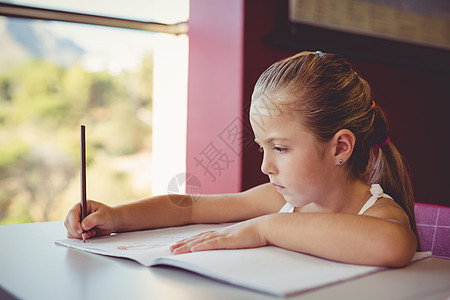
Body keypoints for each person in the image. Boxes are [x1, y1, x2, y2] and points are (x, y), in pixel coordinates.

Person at [65, 51, 418, 267]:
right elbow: (189, 207)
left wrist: (267, 228)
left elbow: (393, 244)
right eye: (262, 147)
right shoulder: (281, 200)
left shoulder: (378, 213)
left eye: (280, 148)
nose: (265, 166)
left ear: (340, 147)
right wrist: (116, 216)